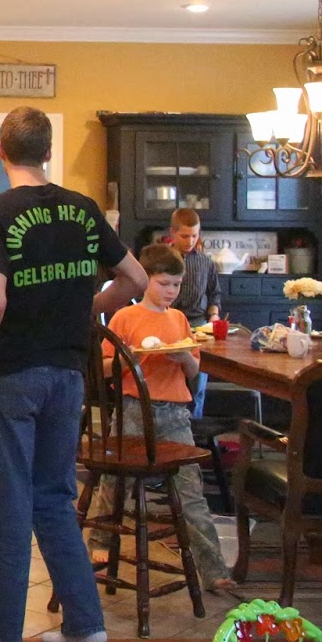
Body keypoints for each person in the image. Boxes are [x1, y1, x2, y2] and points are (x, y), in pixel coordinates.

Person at [0, 106, 147, 642]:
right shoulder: (83, 210)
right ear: (48, 151)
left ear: (1, 150)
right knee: (56, 497)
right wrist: (85, 309)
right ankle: (84, 622)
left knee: (6, 503)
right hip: (68, 375)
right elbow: (134, 279)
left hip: (13, 374)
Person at [92, 243, 235, 590]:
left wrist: (184, 358)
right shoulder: (125, 317)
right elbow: (104, 367)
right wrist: (130, 359)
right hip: (133, 410)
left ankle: (213, 569)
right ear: (145, 281)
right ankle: (100, 541)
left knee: (191, 491)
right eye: (164, 283)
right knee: (116, 482)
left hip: (175, 414)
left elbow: (193, 370)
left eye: (176, 284)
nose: (171, 291)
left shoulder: (180, 319)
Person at [166, 207, 221, 416]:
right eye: (184, 236)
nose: (190, 241)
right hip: (168, 321)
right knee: (170, 374)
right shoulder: (163, 260)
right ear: (172, 232)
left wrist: (214, 315)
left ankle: (195, 423)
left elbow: (214, 293)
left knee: (198, 380)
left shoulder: (205, 262)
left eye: (194, 235)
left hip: (198, 325)